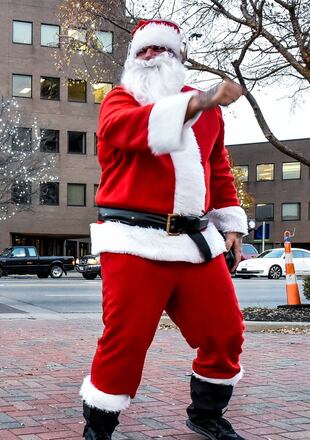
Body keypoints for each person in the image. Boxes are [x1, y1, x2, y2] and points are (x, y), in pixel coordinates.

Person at [80, 20, 248, 440]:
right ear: (133, 58)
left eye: (163, 50)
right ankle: (99, 427)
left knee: (225, 333)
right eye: (145, 50)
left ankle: (206, 415)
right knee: (127, 339)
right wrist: (201, 103)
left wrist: (231, 224)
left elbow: (218, 169)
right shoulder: (120, 100)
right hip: (133, 241)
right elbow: (131, 129)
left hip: (195, 242)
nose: (152, 57)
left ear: (180, 59)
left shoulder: (204, 109)